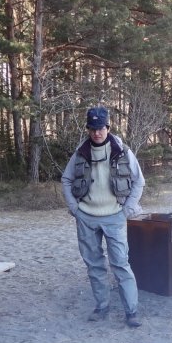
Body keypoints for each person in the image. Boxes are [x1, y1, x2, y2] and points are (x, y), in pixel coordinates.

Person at [61, 106, 145, 328]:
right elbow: (66, 179)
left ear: (108, 127)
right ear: (88, 129)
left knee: (121, 264)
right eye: (92, 128)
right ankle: (101, 307)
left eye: (100, 128)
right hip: (86, 217)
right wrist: (74, 208)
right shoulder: (80, 152)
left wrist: (127, 209)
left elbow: (139, 181)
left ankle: (131, 312)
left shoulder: (122, 151)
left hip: (115, 216)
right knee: (94, 265)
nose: (96, 133)